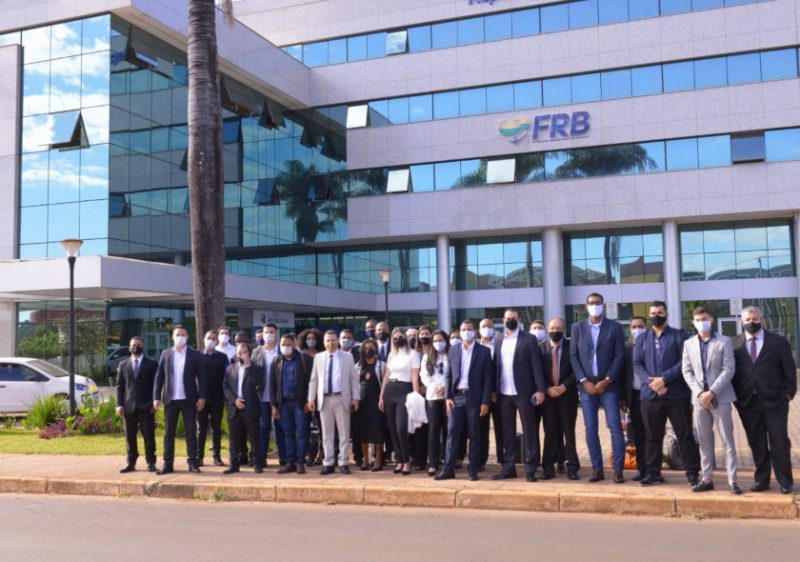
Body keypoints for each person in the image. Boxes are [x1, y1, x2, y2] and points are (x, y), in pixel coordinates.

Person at [633, 301, 700, 488]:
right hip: (650, 396)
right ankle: (653, 473)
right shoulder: (642, 339)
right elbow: (637, 363)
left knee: (684, 435)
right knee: (652, 437)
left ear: (667, 313)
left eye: (660, 312)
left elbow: (684, 361)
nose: (656, 316)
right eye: (653, 313)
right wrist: (653, 383)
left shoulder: (679, 336)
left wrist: (664, 380)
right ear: (649, 315)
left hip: (676, 394)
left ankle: (693, 473)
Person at [732, 306, 797, 494]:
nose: (751, 322)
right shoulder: (734, 344)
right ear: (742, 321)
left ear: (761, 319)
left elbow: (789, 371)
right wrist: (737, 399)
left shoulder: (778, 342)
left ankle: (785, 480)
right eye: (747, 319)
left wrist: (788, 394)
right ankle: (762, 479)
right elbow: (732, 373)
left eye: (755, 319)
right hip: (748, 403)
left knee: (779, 441)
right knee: (756, 442)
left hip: (775, 402)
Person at [682, 305, 740, 494]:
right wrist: (701, 393)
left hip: (720, 397)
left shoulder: (724, 341)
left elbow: (729, 369)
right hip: (699, 400)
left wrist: (712, 392)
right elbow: (687, 371)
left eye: (704, 319)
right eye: (698, 320)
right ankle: (706, 478)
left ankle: (732, 480)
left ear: (712, 320)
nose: (702, 323)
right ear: (693, 322)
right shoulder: (688, 344)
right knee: (704, 441)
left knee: (728, 440)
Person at [569, 293, 626, 483]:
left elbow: (619, 356)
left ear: (603, 305)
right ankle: (597, 469)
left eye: (598, 303)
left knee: (615, 428)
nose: (594, 306)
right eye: (591, 303)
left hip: (609, 386)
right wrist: (584, 381)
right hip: (587, 387)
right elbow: (574, 357)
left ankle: (618, 470)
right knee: (590, 429)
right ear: (586, 306)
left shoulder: (615, 327)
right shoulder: (577, 328)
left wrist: (607, 380)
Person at [435, 320, 493, 481]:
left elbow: (488, 378)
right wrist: (447, 397)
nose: (466, 332)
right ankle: (448, 469)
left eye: (469, 329)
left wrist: (485, 401)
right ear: (459, 332)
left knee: (474, 434)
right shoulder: (453, 350)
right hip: (457, 397)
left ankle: (473, 469)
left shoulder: (484, 351)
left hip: (475, 398)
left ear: (475, 331)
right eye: (463, 329)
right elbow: (448, 375)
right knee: (452, 433)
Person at [493, 308, 546, 482]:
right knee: (507, 433)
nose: (510, 320)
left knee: (529, 431)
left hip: (524, 392)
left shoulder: (529, 339)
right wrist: (493, 390)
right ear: (503, 320)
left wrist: (540, 389)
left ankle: (531, 469)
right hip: (504, 393)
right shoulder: (498, 339)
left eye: (514, 318)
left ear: (519, 319)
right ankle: (508, 467)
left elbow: (536, 365)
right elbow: (495, 366)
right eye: (508, 318)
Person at [153, 325, 207, 474]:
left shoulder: (195, 354)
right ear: (172, 337)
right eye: (177, 335)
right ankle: (168, 463)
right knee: (169, 433)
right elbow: (159, 377)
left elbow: (202, 377)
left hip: (189, 399)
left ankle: (193, 462)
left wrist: (202, 397)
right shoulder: (166, 354)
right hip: (170, 399)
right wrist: (156, 397)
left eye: (183, 335)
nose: (180, 337)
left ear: (187, 337)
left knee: (191, 432)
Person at [308, 330, 360, 475]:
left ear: (337, 341)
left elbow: (353, 379)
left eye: (333, 340)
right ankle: (328, 462)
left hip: (341, 398)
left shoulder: (347, 357)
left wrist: (355, 398)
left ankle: (343, 461)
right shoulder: (318, 357)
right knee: (326, 433)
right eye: (327, 340)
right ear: (324, 342)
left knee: (344, 432)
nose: (330, 343)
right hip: (324, 399)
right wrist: (310, 398)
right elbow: (314, 379)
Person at [541, 317, 580, 480]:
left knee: (569, 432)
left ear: (563, 329)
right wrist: (547, 388)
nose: (555, 331)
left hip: (567, 395)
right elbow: (537, 372)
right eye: (552, 328)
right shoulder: (541, 348)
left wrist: (564, 386)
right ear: (547, 330)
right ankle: (548, 467)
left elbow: (577, 370)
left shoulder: (572, 346)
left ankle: (573, 466)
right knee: (550, 432)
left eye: (558, 328)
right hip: (549, 396)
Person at [379, 327, 421, 475]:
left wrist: (416, 396)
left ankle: (407, 460)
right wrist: (381, 396)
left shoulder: (413, 354)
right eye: (395, 338)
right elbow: (386, 376)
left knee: (401, 428)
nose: (398, 340)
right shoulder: (392, 354)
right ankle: (400, 460)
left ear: (406, 338)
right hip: (390, 389)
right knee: (392, 428)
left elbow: (415, 377)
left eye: (401, 337)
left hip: (405, 390)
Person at [271, 334, 314, 474]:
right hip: (283, 404)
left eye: (288, 344)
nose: (285, 347)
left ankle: (300, 462)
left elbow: (312, 381)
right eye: (283, 344)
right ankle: (290, 463)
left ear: (294, 344)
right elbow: (272, 385)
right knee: (287, 433)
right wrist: (273, 405)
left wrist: (309, 400)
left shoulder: (304, 359)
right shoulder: (276, 361)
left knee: (302, 433)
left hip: (300, 403)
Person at [116, 336, 158, 473]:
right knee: (130, 436)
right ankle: (131, 462)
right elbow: (119, 387)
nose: (136, 347)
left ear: (143, 347)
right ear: (129, 348)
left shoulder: (152, 364)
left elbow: (156, 385)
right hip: (129, 407)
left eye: (139, 345)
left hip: (147, 406)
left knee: (148, 435)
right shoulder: (123, 365)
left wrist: (155, 401)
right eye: (133, 345)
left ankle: (151, 462)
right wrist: (119, 404)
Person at [223, 343, 265, 474]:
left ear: (249, 354)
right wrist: (234, 400)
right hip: (235, 406)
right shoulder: (230, 369)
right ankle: (234, 464)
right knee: (234, 438)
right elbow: (225, 387)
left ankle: (257, 463)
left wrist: (249, 366)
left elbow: (257, 383)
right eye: (239, 353)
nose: (242, 355)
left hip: (250, 407)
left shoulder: (257, 369)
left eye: (244, 352)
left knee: (254, 436)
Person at [198, 330, 229, 467]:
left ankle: (217, 456)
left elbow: (228, 375)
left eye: (214, 338)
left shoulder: (222, 357)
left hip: (218, 397)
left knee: (216, 428)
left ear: (217, 341)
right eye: (209, 338)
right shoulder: (197, 356)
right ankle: (199, 456)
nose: (211, 340)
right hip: (201, 398)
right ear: (204, 339)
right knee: (201, 428)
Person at [421, 329, 449, 476]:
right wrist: (436, 387)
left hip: (448, 397)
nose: (438, 343)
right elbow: (424, 376)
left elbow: (454, 373)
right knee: (433, 430)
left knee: (448, 429)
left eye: (441, 340)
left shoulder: (452, 355)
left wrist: (445, 387)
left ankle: (448, 461)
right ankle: (433, 463)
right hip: (433, 397)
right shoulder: (427, 357)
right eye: (435, 341)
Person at [252, 323, 281, 468]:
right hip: (262, 396)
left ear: (276, 334)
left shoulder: (281, 351)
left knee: (280, 428)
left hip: (278, 397)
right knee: (263, 428)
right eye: (266, 332)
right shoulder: (256, 352)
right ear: (262, 335)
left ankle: (284, 457)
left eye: (271, 332)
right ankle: (262, 457)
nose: (269, 334)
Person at [622, 316, 647, 481]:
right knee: (638, 433)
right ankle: (642, 469)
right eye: (634, 326)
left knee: (653, 433)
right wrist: (623, 399)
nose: (637, 329)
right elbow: (623, 374)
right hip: (634, 395)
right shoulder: (627, 348)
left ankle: (654, 469)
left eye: (640, 326)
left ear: (646, 327)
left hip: (651, 395)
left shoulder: (652, 344)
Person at [356, 338, 386, 471]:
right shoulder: (358, 366)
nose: (369, 350)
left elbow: (384, 383)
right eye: (366, 348)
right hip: (362, 403)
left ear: (376, 350)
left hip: (376, 403)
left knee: (377, 430)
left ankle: (378, 459)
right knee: (363, 431)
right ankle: (365, 459)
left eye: (371, 348)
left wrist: (382, 398)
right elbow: (354, 384)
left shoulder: (382, 365)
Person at [478, 317, 503, 469]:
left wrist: (495, 390)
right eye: (483, 326)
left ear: (494, 328)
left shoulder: (500, 344)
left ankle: (503, 460)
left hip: (499, 395)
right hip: (481, 396)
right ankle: (481, 461)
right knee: (481, 429)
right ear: (479, 329)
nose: (486, 328)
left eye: (489, 326)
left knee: (502, 429)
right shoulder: (474, 347)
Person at [410, 325, 432, 471]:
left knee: (432, 428)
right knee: (419, 428)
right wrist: (418, 388)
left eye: (427, 334)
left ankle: (433, 458)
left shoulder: (434, 352)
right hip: (417, 395)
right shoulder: (414, 353)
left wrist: (428, 387)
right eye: (422, 334)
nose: (424, 336)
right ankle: (420, 459)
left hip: (433, 394)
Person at [340, 328, 362, 466]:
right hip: (338, 396)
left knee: (356, 428)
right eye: (343, 337)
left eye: (348, 338)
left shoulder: (358, 355)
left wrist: (356, 396)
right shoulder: (334, 355)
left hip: (355, 395)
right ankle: (340, 456)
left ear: (353, 340)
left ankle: (358, 456)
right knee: (340, 429)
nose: (346, 340)